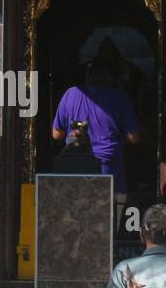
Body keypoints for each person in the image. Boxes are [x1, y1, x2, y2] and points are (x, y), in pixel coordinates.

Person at [52, 45, 141, 232]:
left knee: (77, 221)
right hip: (109, 165)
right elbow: (134, 137)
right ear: (111, 78)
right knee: (107, 224)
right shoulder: (119, 97)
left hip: (75, 166)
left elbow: (56, 134)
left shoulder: (71, 94)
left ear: (88, 76)